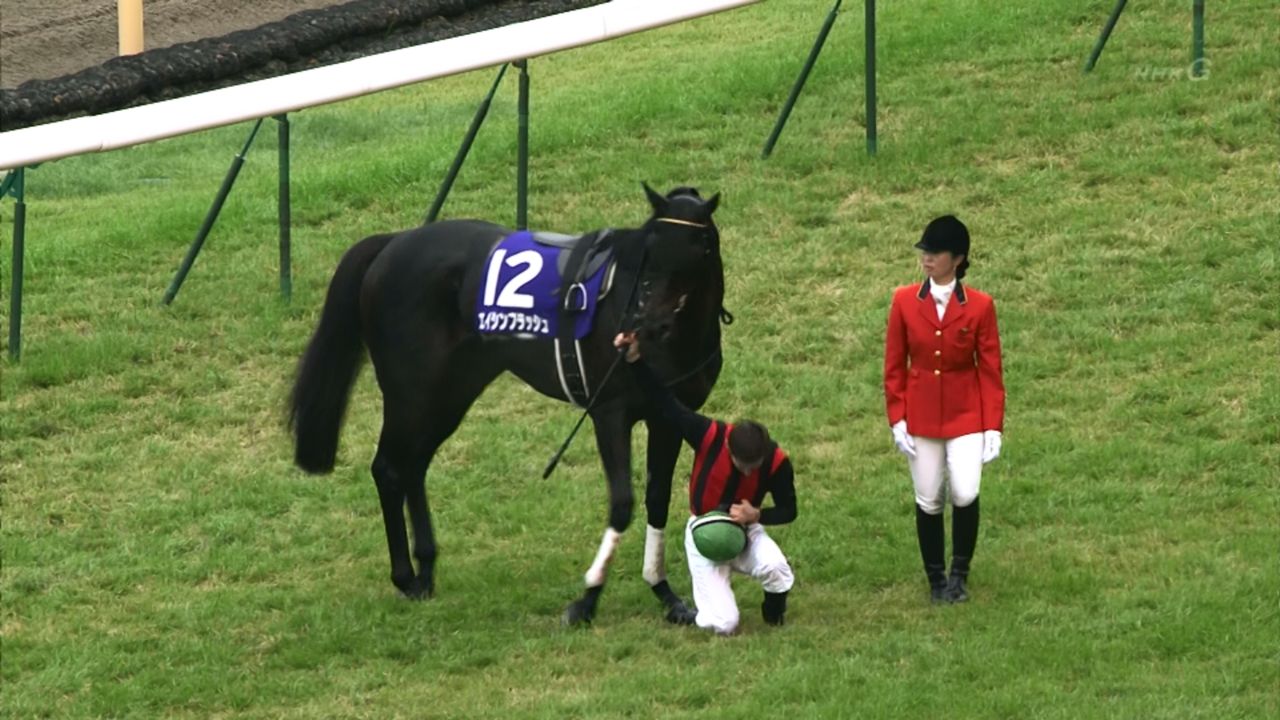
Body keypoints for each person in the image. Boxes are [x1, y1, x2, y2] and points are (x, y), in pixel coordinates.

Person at [613, 331, 797, 635]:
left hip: (746, 530)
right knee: (724, 624)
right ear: (729, 451)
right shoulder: (706, 435)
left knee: (778, 570)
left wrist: (758, 515)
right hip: (705, 534)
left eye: (756, 467)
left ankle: (774, 617)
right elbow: (665, 401)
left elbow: (790, 510)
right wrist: (634, 359)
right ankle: (693, 616)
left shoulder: (778, 464)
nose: (750, 474)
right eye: (744, 467)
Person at [883, 214, 1005, 604]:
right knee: (928, 496)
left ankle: (959, 574)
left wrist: (992, 426)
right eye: (925, 252)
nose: (927, 259)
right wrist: (897, 417)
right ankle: (936, 579)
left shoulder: (981, 306)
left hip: (966, 414)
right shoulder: (903, 300)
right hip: (920, 415)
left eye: (935, 253)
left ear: (957, 259)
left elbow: (989, 370)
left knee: (966, 493)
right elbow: (894, 364)